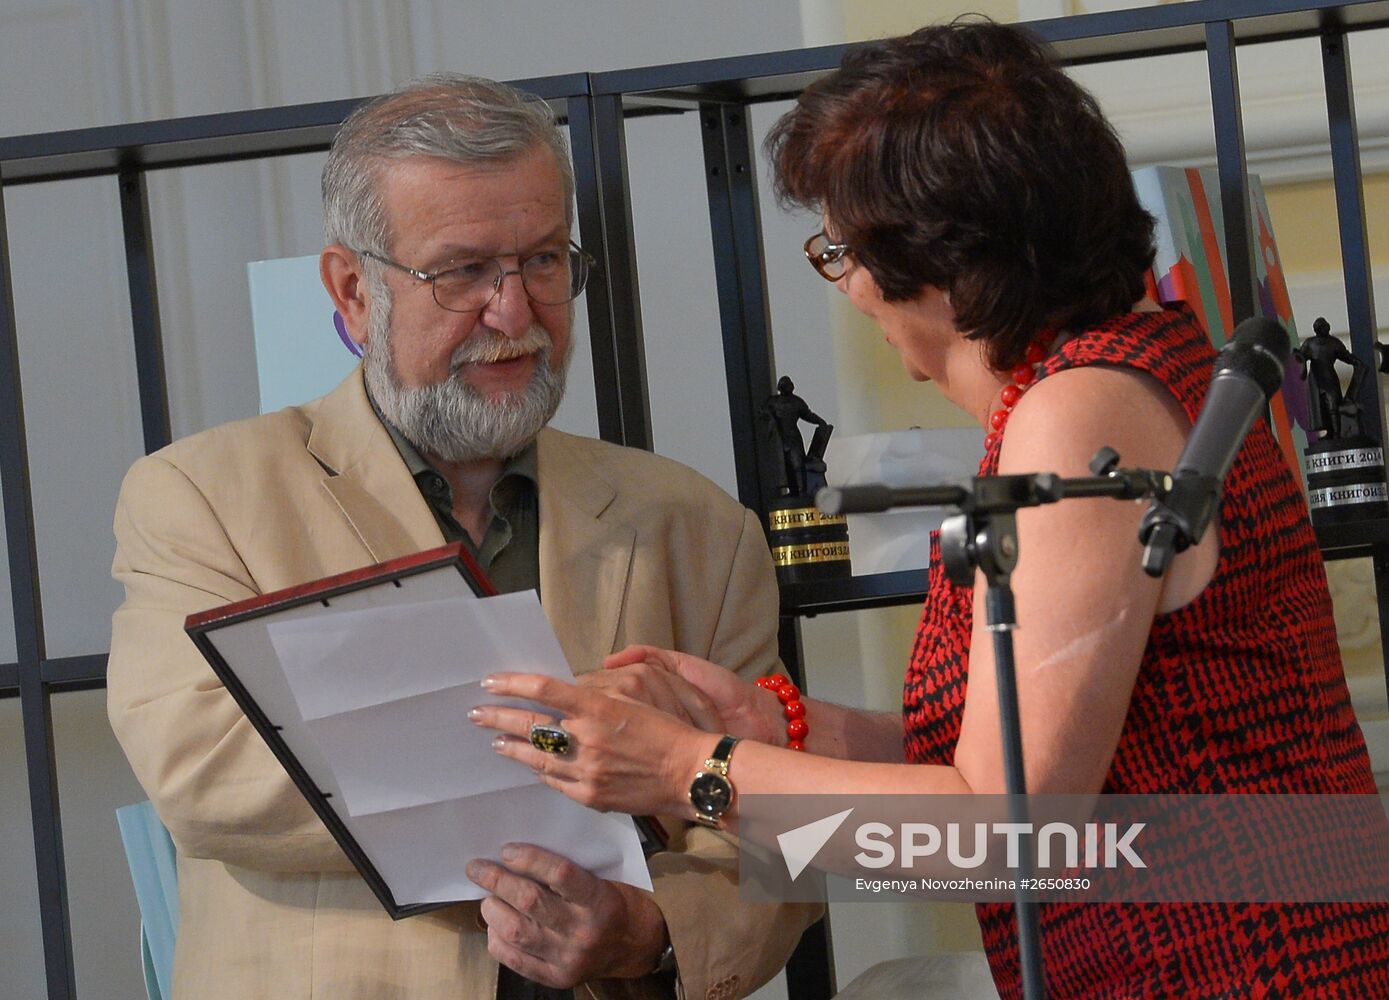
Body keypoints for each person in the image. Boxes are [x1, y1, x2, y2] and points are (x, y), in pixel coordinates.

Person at [471, 21, 1389, 999]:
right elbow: (1046, 754)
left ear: (939, 257)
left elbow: (1003, 834)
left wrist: (687, 770)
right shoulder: (1127, 368)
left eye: (841, 251)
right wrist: (781, 727)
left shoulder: (1077, 414)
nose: (854, 290)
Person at [106, 74, 818, 1000]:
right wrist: (595, 741)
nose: (514, 314)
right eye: (462, 271)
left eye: (542, 263)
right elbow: (205, 773)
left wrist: (651, 931)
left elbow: (785, 827)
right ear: (353, 290)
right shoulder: (202, 496)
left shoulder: (697, 524)